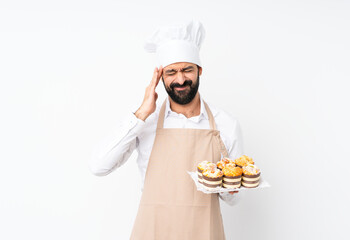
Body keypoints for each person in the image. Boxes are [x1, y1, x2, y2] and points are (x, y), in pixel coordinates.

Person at [90, 20, 244, 240]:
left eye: (187, 70)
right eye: (171, 72)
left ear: (199, 70)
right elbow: (98, 166)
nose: (180, 79)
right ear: (160, 76)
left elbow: (235, 198)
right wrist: (141, 114)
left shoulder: (226, 124)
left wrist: (226, 184)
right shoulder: (145, 123)